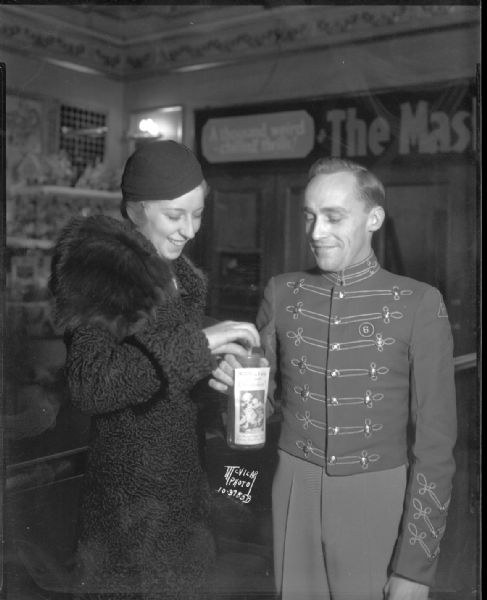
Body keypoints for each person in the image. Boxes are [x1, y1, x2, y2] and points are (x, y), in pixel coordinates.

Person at [211, 157, 457, 600]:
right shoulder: (282, 292)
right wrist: (234, 395)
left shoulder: (419, 303)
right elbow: (259, 412)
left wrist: (416, 569)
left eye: (333, 217)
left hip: (377, 495)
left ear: (374, 218)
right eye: (310, 216)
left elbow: (436, 446)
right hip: (292, 489)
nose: (316, 232)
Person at [49, 140, 260, 600]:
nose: (189, 230)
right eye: (174, 215)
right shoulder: (98, 271)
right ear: (135, 210)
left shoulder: (181, 279)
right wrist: (199, 343)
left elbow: (169, 384)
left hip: (185, 504)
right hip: (126, 518)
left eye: (198, 214)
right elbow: (91, 385)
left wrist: (215, 380)